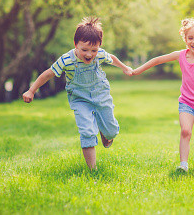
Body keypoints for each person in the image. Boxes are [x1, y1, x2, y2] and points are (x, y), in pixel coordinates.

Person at [22, 17, 132, 170]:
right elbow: (48, 74)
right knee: (87, 132)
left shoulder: (99, 54)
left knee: (112, 130)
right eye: (84, 50)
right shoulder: (66, 60)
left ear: (99, 46)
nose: (89, 54)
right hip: (80, 99)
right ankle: (92, 170)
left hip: (101, 95)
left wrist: (124, 67)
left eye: (94, 50)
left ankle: (104, 132)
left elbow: (111, 58)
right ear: (75, 45)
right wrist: (31, 90)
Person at [132, 18, 194, 172]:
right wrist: (137, 70)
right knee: (185, 131)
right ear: (185, 39)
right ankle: (183, 165)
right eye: (190, 38)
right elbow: (158, 60)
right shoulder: (181, 55)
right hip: (186, 102)